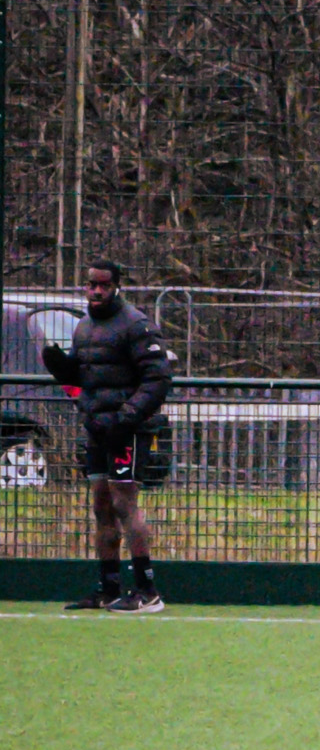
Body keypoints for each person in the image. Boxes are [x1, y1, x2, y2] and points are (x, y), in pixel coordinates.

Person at [47, 260, 173, 613]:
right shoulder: (84, 326)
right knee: (101, 504)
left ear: (117, 286)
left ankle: (148, 591)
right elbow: (85, 376)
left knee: (124, 503)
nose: (96, 291)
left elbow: (158, 379)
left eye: (103, 285)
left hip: (127, 429)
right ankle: (109, 588)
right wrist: (62, 368)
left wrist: (126, 416)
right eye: (91, 285)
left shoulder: (136, 324)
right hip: (98, 428)